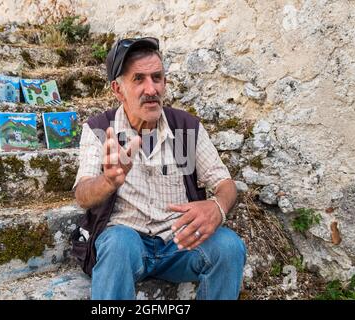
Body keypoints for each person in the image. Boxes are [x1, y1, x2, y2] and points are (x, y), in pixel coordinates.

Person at [72, 37, 246, 300]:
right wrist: (108, 181)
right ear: (118, 90)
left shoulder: (186, 127)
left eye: (157, 77)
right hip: (128, 242)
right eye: (139, 79)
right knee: (116, 243)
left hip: (180, 242)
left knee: (229, 246)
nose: (151, 89)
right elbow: (82, 194)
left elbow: (224, 183)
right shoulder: (98, 129)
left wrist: (218, 206)